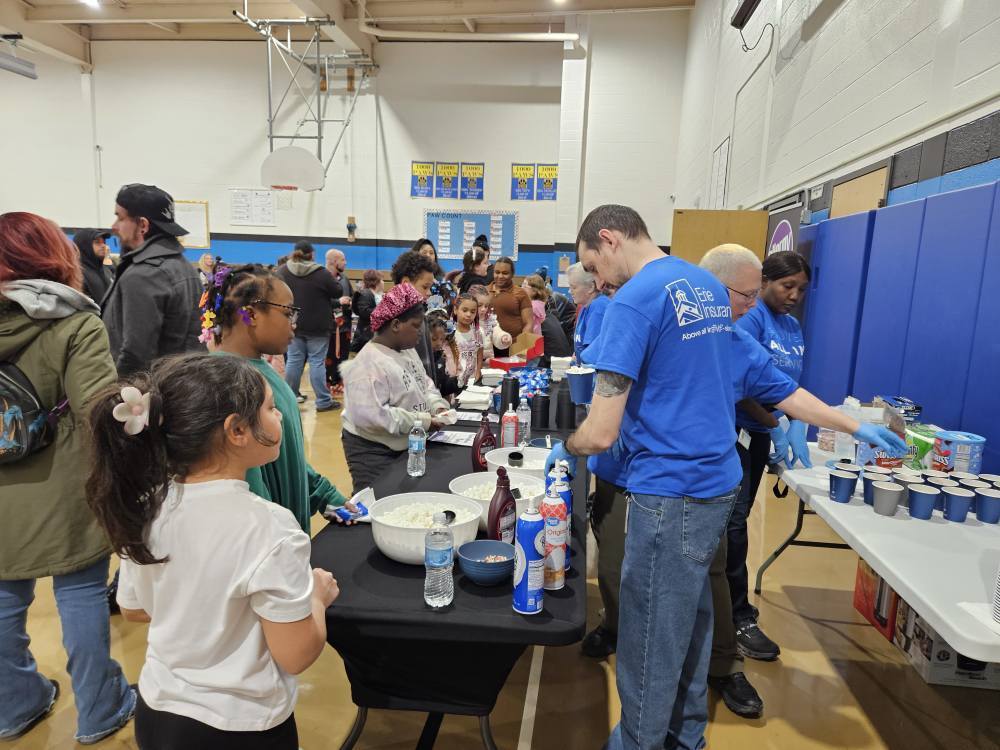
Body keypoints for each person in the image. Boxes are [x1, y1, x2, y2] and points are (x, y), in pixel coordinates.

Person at [544, 205, 903, 750]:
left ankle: (640, 742)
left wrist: (565, 449)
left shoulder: (633, 302)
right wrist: (854, 424)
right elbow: (776, 384)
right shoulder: (705, 288)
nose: (597, 281)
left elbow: (599, 433)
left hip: (668, 490)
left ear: (610, 240)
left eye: (593, 266)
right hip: (717, 485)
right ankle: (687, 735)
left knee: (648, 633)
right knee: (689, 616)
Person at [86, 353, 340, 749]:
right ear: (237, 430)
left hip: (158, 712)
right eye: (272, 408)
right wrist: (318, 598)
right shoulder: (269, 527)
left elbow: (134, 607)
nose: (282, 418)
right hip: (240, 726)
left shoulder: (149, 507)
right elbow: (296, 654)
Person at [0, 212, 135, 745]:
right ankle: (100, 711)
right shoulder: (73, 321)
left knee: (4, 600)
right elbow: (97, 410)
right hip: (64, 483)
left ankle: (15, 705)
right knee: (79, 592)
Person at [703, 247, 811, 661]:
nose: (794, 295)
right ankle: (736, 615)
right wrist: (773, 422)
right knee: (733, 525)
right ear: (763, 282)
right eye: (787, 285)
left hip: (763, 434)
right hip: (738, 433)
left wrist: (794, 420)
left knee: (740, 519)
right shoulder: (747, 321)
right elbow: (744, 386)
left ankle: (732, 608)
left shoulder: (792, 328)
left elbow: (790, 381)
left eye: (801, 288)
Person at [203, 264, 353, 532]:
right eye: (288, 313)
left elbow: (285, 450)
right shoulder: (228, 384)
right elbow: (248, 489)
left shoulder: (261, 369)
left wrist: (323, 493)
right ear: (250, 314)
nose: (294, 325)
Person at [340, 284, 451, 493]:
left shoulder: (406, 350)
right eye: (417, 326)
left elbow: (423, 383)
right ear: (396, 324)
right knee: (378, 498)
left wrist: (437, 406)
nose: (421, 332)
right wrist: (425, 420)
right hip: (373, 449)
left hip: (406, 440)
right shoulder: (368, 364)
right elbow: (374, 417)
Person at [102, 183, 203, 376]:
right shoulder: (184, 267)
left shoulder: (144, 274)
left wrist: (114, 394)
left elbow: (136, 354)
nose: (114, 227)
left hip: (145, 394)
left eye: (120, 218)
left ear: (142, 225)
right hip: (179, 384)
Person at [276, 242, 340, 412]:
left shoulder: (283, 271)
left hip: (294, 323)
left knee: (294, 360)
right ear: (312, 254)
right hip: (319, 325)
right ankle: (323, 401)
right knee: (317, 362)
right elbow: (338, 292)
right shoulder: (321, 272)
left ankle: (290, 398)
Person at [390, 250, 437, 379]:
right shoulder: (392, 320)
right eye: (425, 287)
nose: (429, 293)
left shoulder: (419, 314)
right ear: (406, 284)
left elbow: (427, 361)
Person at [324, 249, 353, 398]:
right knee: (329, 358)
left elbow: (351, 296)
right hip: (328, 327)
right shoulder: (322, 278)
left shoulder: (345, 279)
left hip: (345, 327)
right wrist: (338, 301)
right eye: (342, 259)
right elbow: (319, 300)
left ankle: (340, 384)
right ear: (334, 261)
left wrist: (351, 301)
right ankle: (328, 386)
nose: (345, 262)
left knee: (343, 357)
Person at [567, 262, 611, 362]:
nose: (570, 291)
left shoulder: (598, 307)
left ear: (591, 287)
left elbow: (592, 355)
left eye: (574, 287)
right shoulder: (585, 306)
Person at [488, 256, 532, 354]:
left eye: (505, 273)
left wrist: (521, 349)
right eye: (497, 272)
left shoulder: (521, 293)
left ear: (512, 274)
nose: (500, 276)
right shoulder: (484, 291)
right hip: (488, 349)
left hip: (513, 348)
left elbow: (528, 323)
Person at [444, 292, 483, 387]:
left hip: (472, 381)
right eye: (465, 310)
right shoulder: (450, 333)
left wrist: (478, 373)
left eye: (473, 312)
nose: (469, 314)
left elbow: (479, 354)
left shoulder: (478, 333)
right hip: (454, 381)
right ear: (456, 310)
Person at [73, 229, 114, 303]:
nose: (103, 246)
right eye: (97, 242)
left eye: (103, 242)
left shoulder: (105, 269)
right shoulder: (77, 274)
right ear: (84, 245)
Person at [427, 313, 461, 401]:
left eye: (442, 339)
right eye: (434, 339)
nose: (439, 343)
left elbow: (443, 387)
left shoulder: (441, 357)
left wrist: (457, 381)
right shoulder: (421, 360)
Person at [350, 269, 383, 354]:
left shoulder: (375, 295)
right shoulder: (366, 294)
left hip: (369, 335)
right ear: (376, 281)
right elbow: (364, 311)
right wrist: (383, 311)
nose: (383, 282)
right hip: (365, 336)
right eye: (381, 280)